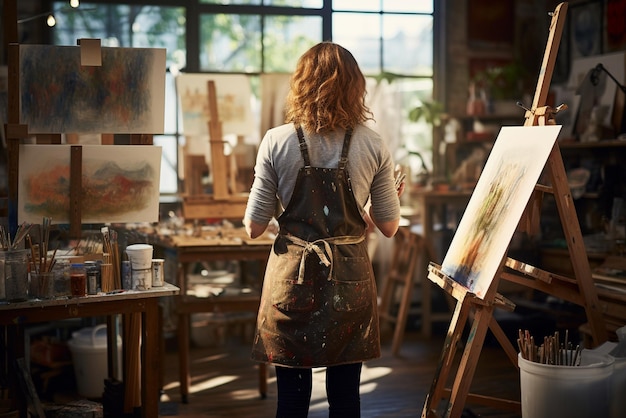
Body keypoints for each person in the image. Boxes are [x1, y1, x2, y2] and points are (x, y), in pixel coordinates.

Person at [243, 41, 403, 418]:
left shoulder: (275, 140)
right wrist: (380, 202)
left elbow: (253, 226)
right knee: (346, 399)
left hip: (291, 283)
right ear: (355, 87)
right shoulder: (373, 143)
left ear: (300, 84)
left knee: (293, 401)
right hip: (349, 279)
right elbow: (389, 227)